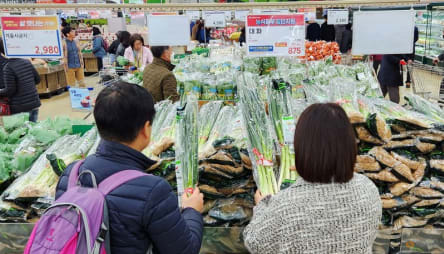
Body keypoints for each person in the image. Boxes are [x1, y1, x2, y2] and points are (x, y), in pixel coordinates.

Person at [55, 81, 204, 254]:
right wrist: (192, 210)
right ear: (146, 129)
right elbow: (184, 251)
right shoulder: (153, 190)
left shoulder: (71, 174)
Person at [243, 103, 381, 254]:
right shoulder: (368, 190)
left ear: (301, 148)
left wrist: (261, 207)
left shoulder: (284, 207)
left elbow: (254, 243)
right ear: (350, 145)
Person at [0, 39, 41, 122]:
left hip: (20, 107)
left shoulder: (8, 67)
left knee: (23, 132)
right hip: (34, 103)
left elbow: (10, 90)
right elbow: (38, 80)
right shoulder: (26, 62)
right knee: (33, 129)